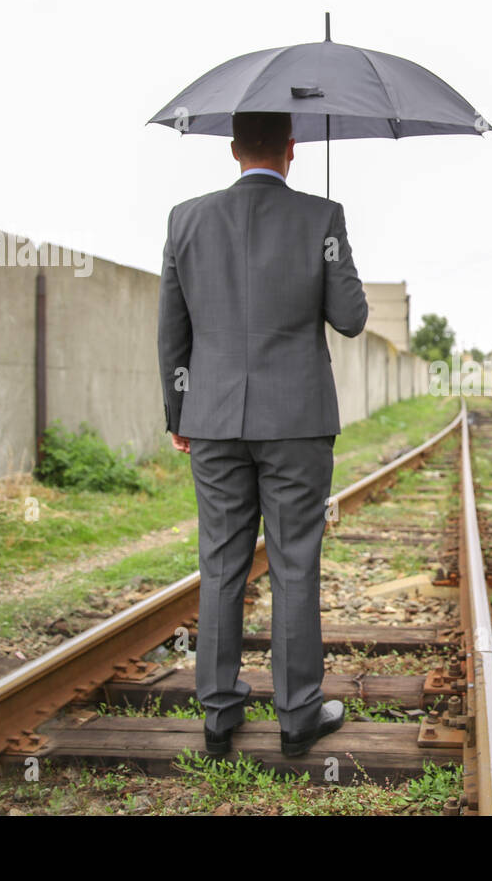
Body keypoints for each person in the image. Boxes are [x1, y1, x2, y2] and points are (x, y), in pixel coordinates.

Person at [157, 111, 368, 757]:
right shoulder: (321, 218)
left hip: (212, 418)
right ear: (292, 149)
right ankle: (298, 714)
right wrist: (329, 243)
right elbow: (352, 317)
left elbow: (172, 331)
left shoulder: (184, 221)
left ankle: (219, 715)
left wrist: (179, 413)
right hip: (296, 422)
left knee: (220, 561)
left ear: (232, 149)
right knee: (294, 561)